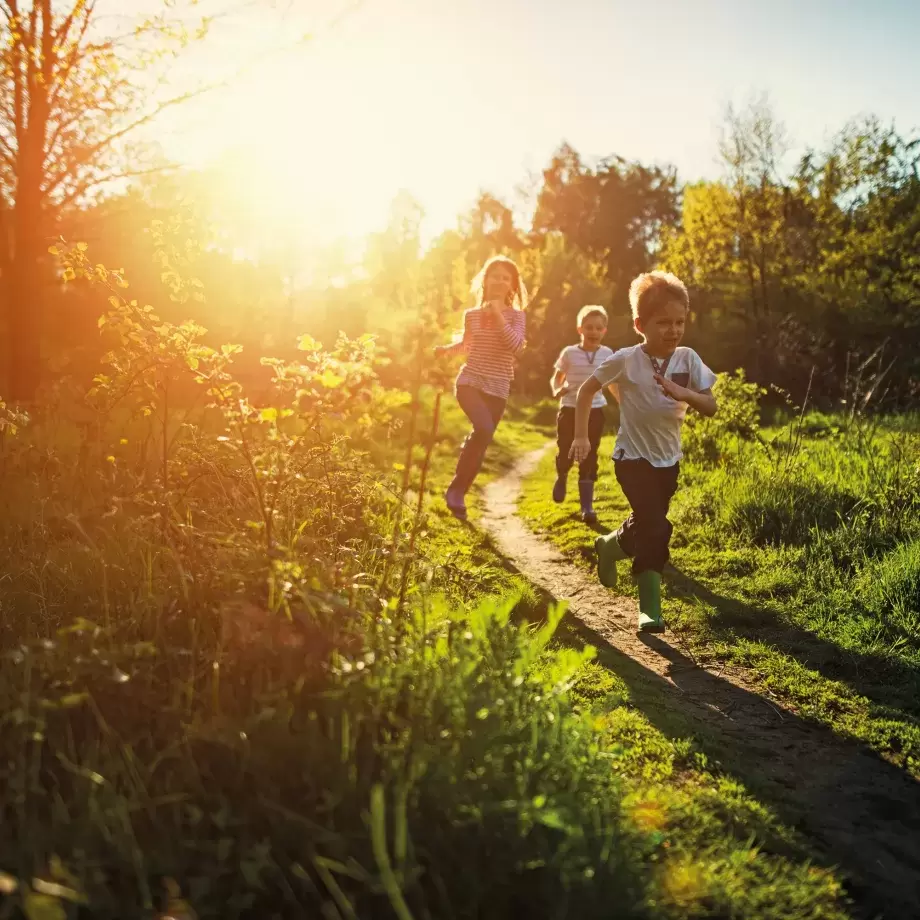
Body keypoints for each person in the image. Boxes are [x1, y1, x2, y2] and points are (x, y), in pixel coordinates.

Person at [569, 271, 717, 632]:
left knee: (648, 523)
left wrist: (687, 395)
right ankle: (650, 608)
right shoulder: (625, 359)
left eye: (679, 321)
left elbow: (711, 405)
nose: (673, 329)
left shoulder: (688, 359)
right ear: (640, 324)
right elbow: (586, 391)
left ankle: (609, 546)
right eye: (663, 322)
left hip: (669, 461)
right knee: (656, 526)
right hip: (631, 458)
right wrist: (582, 437)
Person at [435, 255, 527, 520]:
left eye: (505, 277)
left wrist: (498, 316)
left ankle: (458, 491)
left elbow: (517, 347)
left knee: (481, 437)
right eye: (494, 275)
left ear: (512, 286)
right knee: (484, 429)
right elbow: (467, 346)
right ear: (485, 280)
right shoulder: (472, 315)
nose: (499, 280)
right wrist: (445, 351)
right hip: (470, 381)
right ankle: (456, 491)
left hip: (499, 387)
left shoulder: (517, 316)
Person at [550, 305, 614, 523]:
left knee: (589, 453)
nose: (593, 332)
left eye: (598, 328)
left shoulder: (608, 354)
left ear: (604, 330)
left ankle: (586, 507)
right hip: (569, 408)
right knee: (566, 448)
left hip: (595, 410)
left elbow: (614, 381)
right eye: (589, 327)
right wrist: (557, 390)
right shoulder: (569, 353)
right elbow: (556, 378)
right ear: (580, 329)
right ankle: (562, 474)